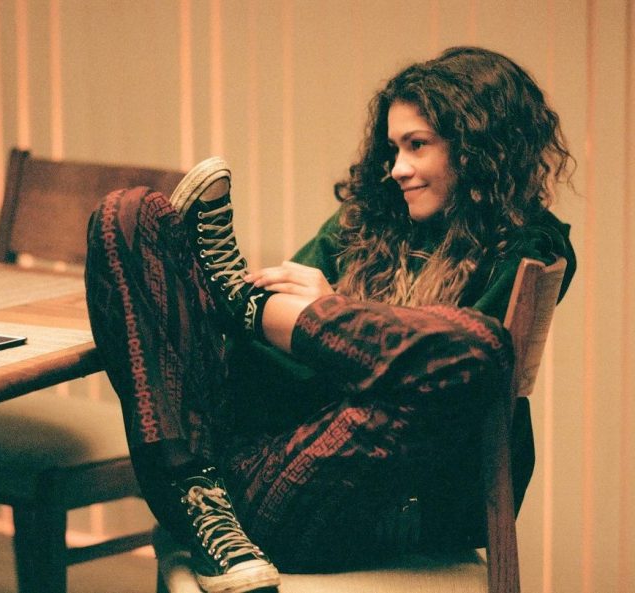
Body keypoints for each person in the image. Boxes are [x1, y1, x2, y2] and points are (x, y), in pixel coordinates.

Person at [85, 46, 576, 593]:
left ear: (480, 148)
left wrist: (333, 311)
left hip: (363, 505)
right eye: (393, 148)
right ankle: (196, 493)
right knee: (130, 212)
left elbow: (466, 373)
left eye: (417, 145)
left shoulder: (530, 247)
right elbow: (262, 360)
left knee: (475, 349)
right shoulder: (372, 219)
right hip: (245, 466)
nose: (398, 169)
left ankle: (241, 304)